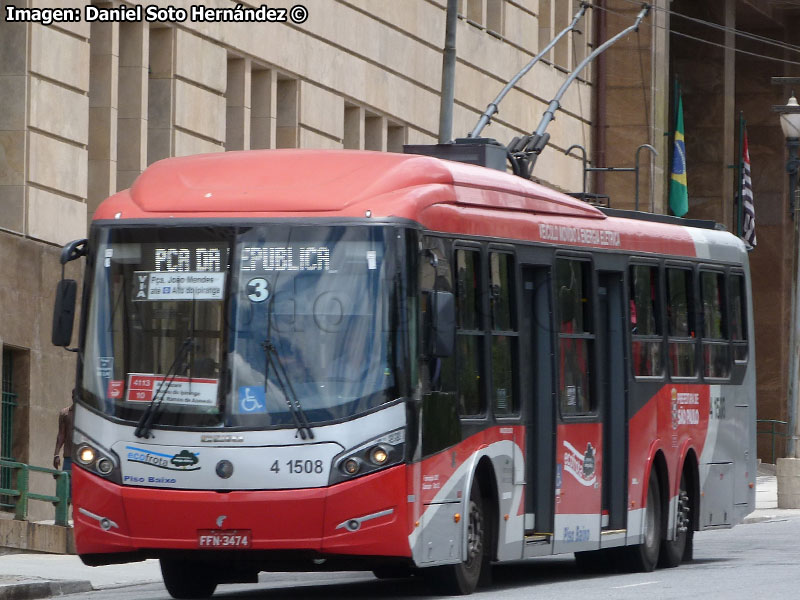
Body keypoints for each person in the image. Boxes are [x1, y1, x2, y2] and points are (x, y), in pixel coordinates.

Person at [53, 401, 74, 473]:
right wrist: (56, 454)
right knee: (67, 481)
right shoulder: (65, 413)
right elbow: (61, 434)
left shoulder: (88, 413)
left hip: (85, 458)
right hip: (69, 456)